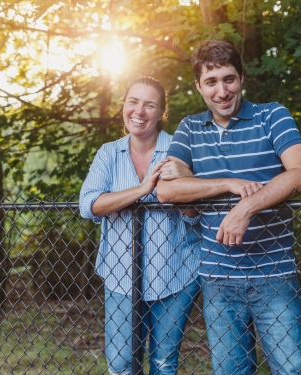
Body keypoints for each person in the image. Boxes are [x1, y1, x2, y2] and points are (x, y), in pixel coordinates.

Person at [156, 40, 301, 375]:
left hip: (274, 274)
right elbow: (166, 191)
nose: (222, 91)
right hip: (217, 279)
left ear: (242, 77)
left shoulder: (272, 115)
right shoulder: (189, 128)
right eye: (211, 82)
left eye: (228, 79)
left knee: (294, 371)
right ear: (199, 86)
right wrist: (228, 183)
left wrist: (246, 208)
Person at [79, 76, 201, 375]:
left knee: (163, 364)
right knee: (122, 365)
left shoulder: (179, 150)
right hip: (120, 276)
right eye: (133, 101)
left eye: (150, 104)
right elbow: (89, 205)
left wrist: (184, 194)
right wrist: (143, 189)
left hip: (175, 274)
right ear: (124, 105)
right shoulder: (109, 153)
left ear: (161, 112)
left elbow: (198, 214)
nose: (140, 111)